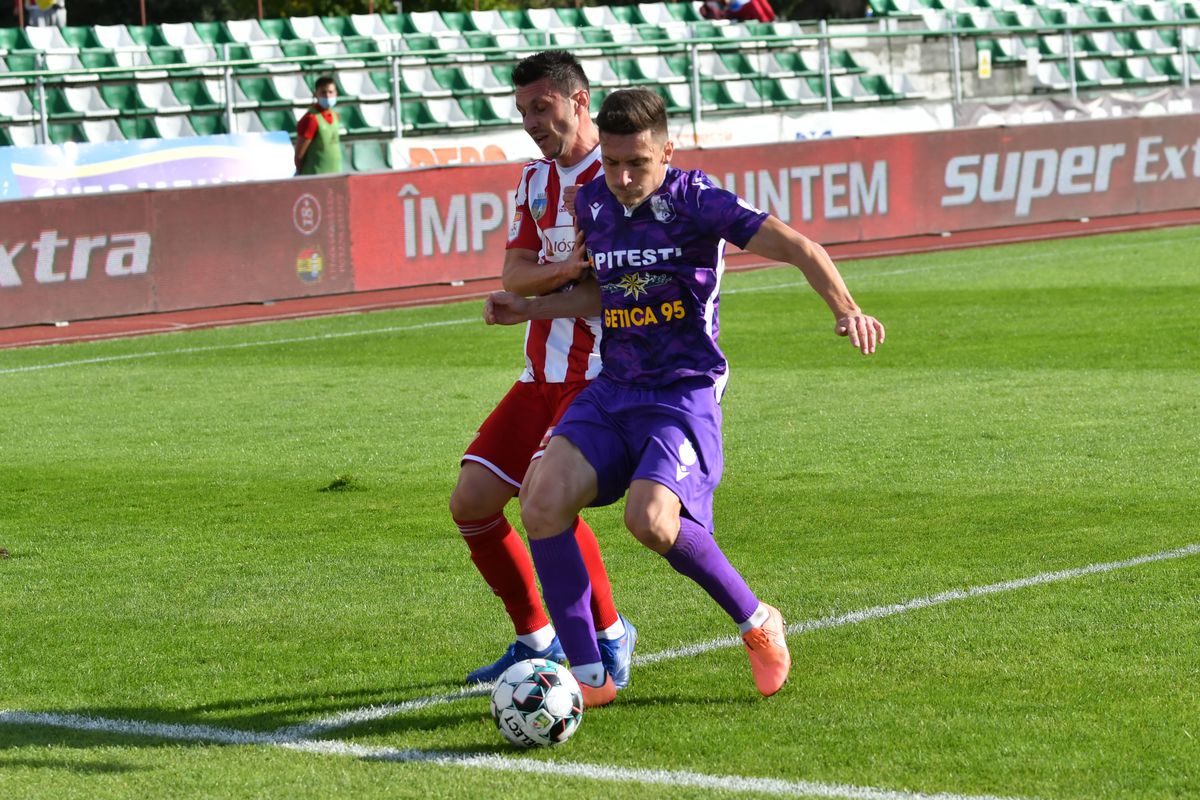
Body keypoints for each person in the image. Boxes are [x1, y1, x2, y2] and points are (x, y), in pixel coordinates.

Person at [485, 87, 884, 706]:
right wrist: (529, 310)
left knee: (650, 521)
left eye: (636, 163)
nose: (620, 177)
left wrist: (846, 310)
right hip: (613, 390)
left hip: (682, 393)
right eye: (613, 162)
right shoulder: (592, 201)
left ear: (666, 151)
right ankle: (590, 679)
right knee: (540, 501)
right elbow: (604, 296)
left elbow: (802, 248)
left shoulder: (699, 201)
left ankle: (758, 622)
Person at [449, 51, 635, 686]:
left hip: (600, 374)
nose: (530, 121)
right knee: (472, 502)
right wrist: (561, 272)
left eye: (542, 107)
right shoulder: (533, 179)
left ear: (579, 101)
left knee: (544, 501)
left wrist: (545, 285)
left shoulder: (617, 178)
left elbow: (615, 288)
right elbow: (514, 273)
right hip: (539, 374)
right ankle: (537, 638)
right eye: (523, 110)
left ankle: (610, 635)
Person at [294, 76, 342, 175]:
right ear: (316, 94)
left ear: (336, 93)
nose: (328, 96)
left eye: (330, 92)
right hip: (316, 176)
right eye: (323, 93)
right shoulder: (311, 119)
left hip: (335, 173)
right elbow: (299, 154)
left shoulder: (335, 116)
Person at [700, 0, 776, 22]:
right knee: (754, 3)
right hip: (732, 12)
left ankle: (771, 18)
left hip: (739, 7)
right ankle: (765, 21)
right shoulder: (708, 4)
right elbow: (725, 6)